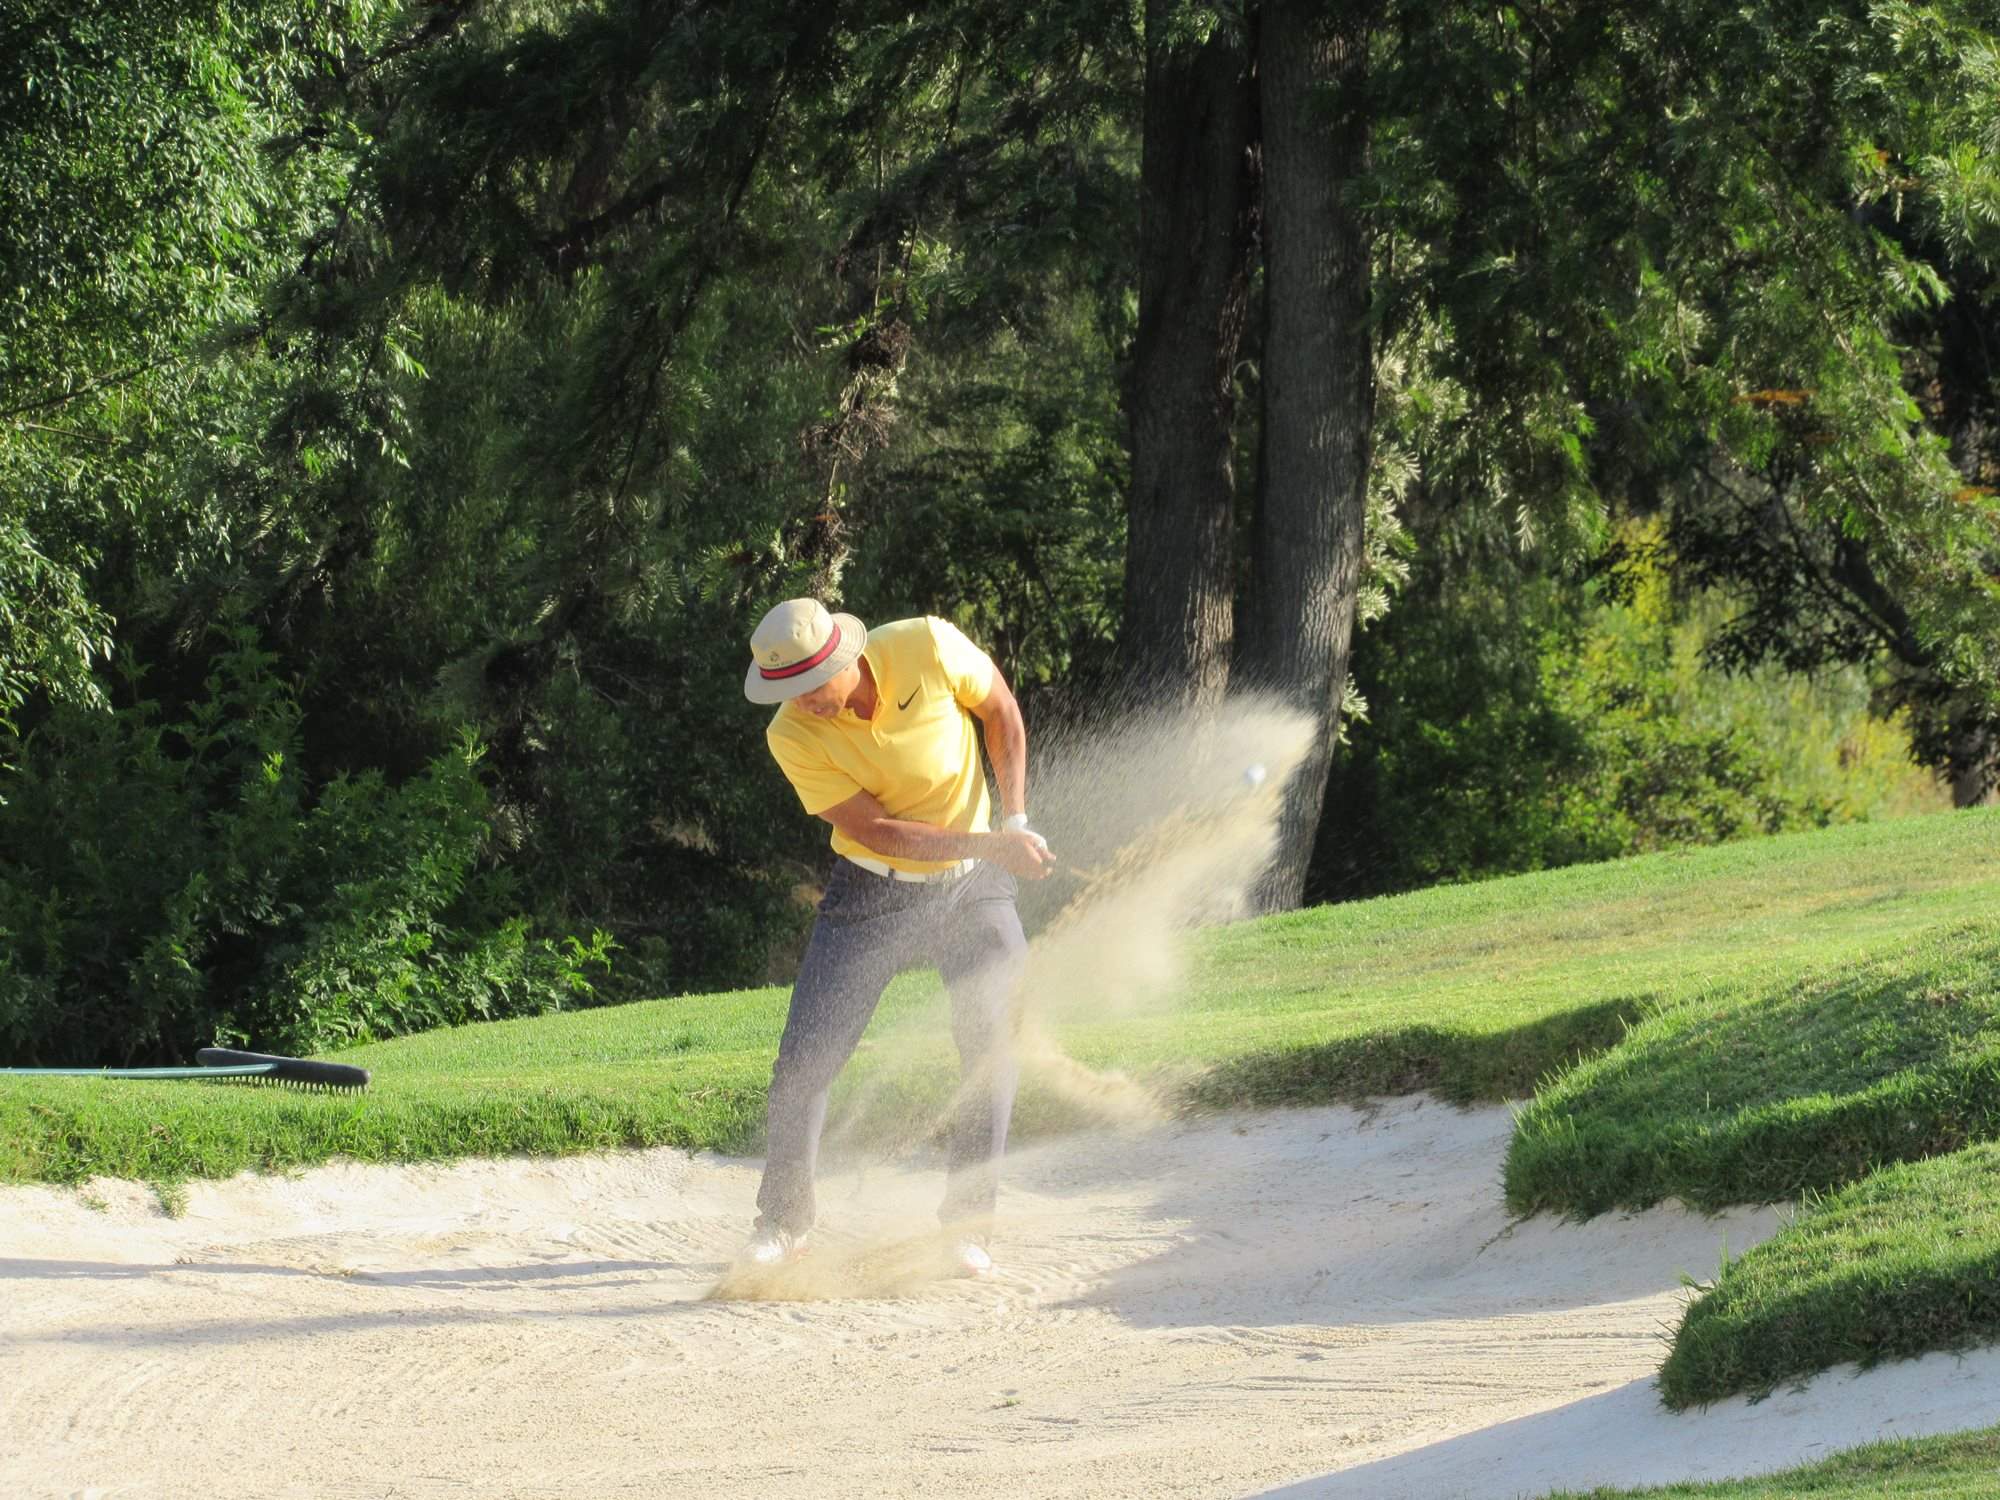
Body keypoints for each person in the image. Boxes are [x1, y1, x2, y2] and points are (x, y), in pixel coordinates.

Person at [739, 597, 1055, 1277]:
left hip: (975, 887)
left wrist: (1015, 820)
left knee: (990, 1049)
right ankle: (784, 1222)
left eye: (811, 685)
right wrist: (991, 844)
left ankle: (967, 1225)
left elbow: (999, 709)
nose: (803, 702)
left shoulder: (926, 646)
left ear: (843, 657)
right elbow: (877, 831)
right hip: (871, 889)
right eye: (788, 692)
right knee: (805, 1060)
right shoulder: (791, 735)